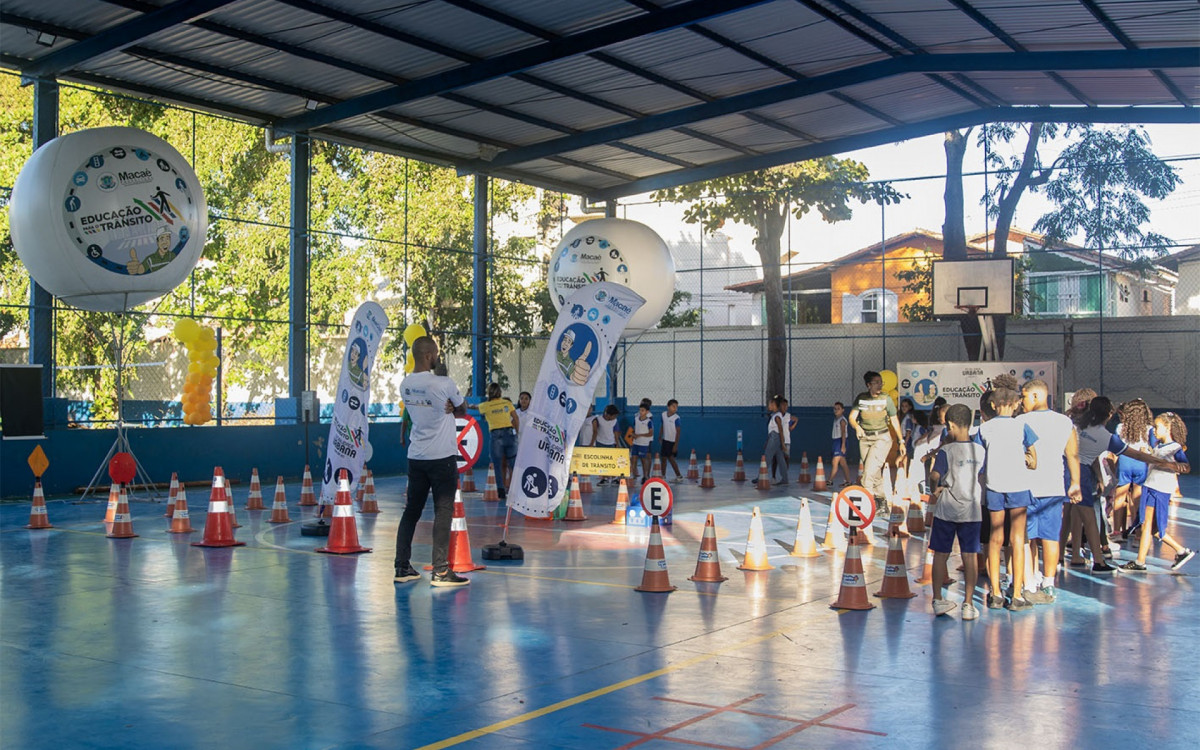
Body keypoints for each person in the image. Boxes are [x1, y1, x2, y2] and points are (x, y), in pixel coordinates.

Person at [393, 336, 470, 587]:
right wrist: (452, 407)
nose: (437, 357)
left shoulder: (405, 384)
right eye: (436, 353)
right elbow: (463, 409)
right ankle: (440, 571)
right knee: (443, 512)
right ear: (428, 355)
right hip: (442, 458)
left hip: (416, 457)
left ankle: (402, 566)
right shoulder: (443, 383)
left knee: (411, 511)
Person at [1070, 397, 1165, 572]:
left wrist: (1099, 477)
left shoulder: (1078, 426)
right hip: (1081, 473)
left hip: (1066, 468)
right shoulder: (1106, 437)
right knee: (1090, 518)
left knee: (1073, 514)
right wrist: (1161, 461)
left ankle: (1072, 554)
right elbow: (1136, 454)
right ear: (1109, 414)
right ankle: (1099, 561)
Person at [975, 374, 1038, 611]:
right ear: (1016, 404)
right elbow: (1033, 460)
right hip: (1018, 486)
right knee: (1017, 540)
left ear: (993, 405)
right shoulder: (1022, 426)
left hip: (994, 487)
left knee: (995, 538)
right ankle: (1018, 594)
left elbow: (979, 462)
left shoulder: (984, 429)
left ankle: (995, 593)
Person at [1018, 379, 1082, 605]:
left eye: (1024, 396)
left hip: (1026, 488)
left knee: (1027, 537)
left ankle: (1029, 581)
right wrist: (1075, 482)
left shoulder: (1020, 421)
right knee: (1050, 537)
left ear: (1036, 396)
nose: (1021, 401)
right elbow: (1072, 454)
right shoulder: (1064, 422)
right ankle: (1048, 581)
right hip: (1054, 487)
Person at [928, 404, 985, 620]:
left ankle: (937, 599)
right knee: (970, 556)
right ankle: (968, 604)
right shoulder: (980, 450)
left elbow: (935, 475)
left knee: (940, 554)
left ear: (950, 425)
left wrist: (934, 489)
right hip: (972, 510)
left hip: (947, 509)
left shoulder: (946, 450)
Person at [1122, 412, 1193, 571]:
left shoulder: (1174, 448)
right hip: (1151, 486)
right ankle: (1181, 551)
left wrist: (1167, 465)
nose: (1154, 430)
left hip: (1159, 489)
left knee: (1148, 524)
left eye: (1157, 426)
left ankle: (1140, 562)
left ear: (1167, 428)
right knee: (1151, 527)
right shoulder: (1157, 446)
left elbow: (1186, 467)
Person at [849, 371, 905, 510]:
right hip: (865, 439)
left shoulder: (886, 399)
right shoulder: (861, 399)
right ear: (869, 385)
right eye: (877, 382)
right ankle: (881, 504)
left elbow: (894, 420)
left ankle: (867, 505)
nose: (880, 385)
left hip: (882, 438)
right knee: (875, 472)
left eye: (881, 382)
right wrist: (857, 427)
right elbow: (851, 417)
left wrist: (901, 441)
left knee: (868, 474)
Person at [1113, 399, 1153, 540]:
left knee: (1119, 497)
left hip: (1125, 462)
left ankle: (1117, 532)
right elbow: (1152, 447)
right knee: (1137, 500)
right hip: (1141, 463)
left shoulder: (1120, 427)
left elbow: (1115, 446)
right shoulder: (1149, 429)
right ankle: (1138, 534)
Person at [477, 383, 519, 501]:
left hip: (496, 435)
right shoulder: (507, 403)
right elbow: (516, 418)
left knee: (497, 464)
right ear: (500, 392)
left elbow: (474, 407)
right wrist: (516, 432)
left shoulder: (485, 406)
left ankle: (501, 491)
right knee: (514, 464)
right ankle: (519, 489)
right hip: (510, 434)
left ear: (489, 393)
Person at [594, 404, 621, 485]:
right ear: (608, 415)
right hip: (600, 443)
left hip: (610, 443)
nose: (615, 417)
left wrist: (617, 443)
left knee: (612, 462)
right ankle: (604, 478)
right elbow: (594, 430)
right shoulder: (599, 419)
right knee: (603, 462)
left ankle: (614, 478)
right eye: (614, 416)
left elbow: (616, 432)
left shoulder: (615, 421)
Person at [764, 396, 788, 485]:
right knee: (780, 458)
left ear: (774, 405)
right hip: (774, 438)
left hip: (774, 438)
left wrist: (783, 443)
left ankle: (761, 477)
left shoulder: (777, 416)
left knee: (767, 457)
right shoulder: (775, 415)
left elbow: (780, 430)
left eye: (770, 404)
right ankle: (785, 478)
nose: (769, 406)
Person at [660, 399, 684, 482]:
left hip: (672, 441)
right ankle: (663, 476)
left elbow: (678, 432)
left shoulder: (676, 418)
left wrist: (675, 445)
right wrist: (660, 435)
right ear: (668, 407)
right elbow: (662, 425)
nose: (675, 408)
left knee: (671, 459)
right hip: (665, 440)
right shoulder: (663, 415)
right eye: (673, 406)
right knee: (663, 458)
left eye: (676, 407)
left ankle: (679, 476)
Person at [631, 398, 654, 481]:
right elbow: (634, 428)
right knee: (633, 458)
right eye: (640, 410)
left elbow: (650, 433)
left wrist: (639, 435)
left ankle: (646, 475)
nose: (641, 412)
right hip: (636, 442)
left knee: (645, 458)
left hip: (645, 443)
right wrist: (633, 434)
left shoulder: (649, 419)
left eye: (643, 410)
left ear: (647, 411)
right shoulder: (636, 418)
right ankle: (633, 474)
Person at [830, 402, 851, 487]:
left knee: (835, 461)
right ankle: (848, 481)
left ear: (843, 410)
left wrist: (843, 445)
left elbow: (843, 433)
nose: (836, 410)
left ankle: (830, 480)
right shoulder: (836, 419)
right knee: (843, 463)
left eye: (838, 409)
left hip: (840, 441)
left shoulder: (842, 420)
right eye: (835, 409)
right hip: (836, 441)